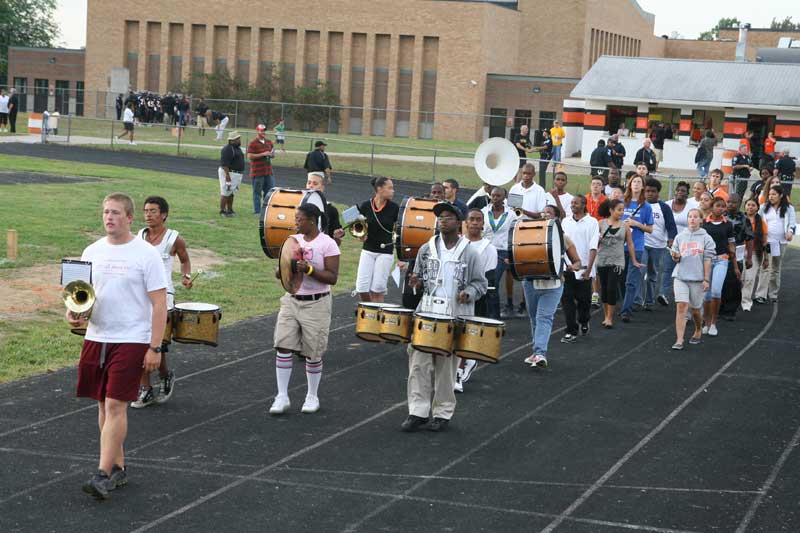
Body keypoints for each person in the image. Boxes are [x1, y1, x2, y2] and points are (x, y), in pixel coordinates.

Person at [68, 193, 167, 499]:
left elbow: (160, 303)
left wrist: (155, 347)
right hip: (97, 337)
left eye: (115, 213)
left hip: (132, 338)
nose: (109, 217)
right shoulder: (91, 250)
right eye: (105, 212)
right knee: (102, 403)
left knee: (115, 404)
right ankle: (118, 468)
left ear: (129, 218)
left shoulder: (146, 254)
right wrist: (73, 313)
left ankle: (100, 474)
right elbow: (78, 293)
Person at [402, 202, 486, 432]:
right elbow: (417, 277)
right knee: (418, 364)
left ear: (458, 223)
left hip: (454, 315)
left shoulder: (469, 251)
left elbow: (481, 283)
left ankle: (442, 412)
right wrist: (415, 283)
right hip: (427, 313)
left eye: (448, 217)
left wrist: (468, 293)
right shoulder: (426, 249)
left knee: (446, 368)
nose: (442, 220)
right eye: (440, 217)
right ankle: (417, 411)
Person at [269, 204, 340, 415]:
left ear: (312, 220)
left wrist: (308, 268)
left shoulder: (328, 244)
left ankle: (312, 395)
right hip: (291, 300)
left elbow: (332, 277)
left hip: (317, 303)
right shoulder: (293, 241)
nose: (295, 222)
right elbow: (281, 271)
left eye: (299, 219)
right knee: (282, 345)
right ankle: (281, 396)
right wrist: (283, 269)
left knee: (313, 352)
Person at [131, 196, 193, 408]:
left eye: (153, 211)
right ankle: (146, 389)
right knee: (139, 343)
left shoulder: (174, 238)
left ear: (164, 214)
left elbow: (185, 260)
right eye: (146, 211)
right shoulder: (139, 236)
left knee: (158, 344)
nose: (148, 214)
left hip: (164, 296)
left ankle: (165, 374)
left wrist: (186, 276)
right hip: (141, 295)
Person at [522, 204, 582, 368]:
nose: (546, 215)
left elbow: (577, 261)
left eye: (550, 213)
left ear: (557, 219)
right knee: (534, 318)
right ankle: (536, 352)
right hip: (531, 282)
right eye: (544, 213)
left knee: (544, 317)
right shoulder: (530, 235)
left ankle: (540, 352)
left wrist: (573, 267)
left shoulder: (562, 237)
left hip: (554, 283)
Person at [455, 208, 498, 393]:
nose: (474, 223)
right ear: (465, 223)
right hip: (455, 297)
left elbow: (486, 277)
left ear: (482, 224)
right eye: (470, 219)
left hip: (477, 297)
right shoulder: (456, 244)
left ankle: (460, 370)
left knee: (467, 335)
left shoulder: (489, 248)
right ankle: (461, 364)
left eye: (477, 220)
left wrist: (471, 291)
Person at [670, 209, 714, 350]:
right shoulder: (680, 236)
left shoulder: (706, 238)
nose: (692, 219)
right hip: (681, 276)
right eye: (690, 217)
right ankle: (679, 339)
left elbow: (707, 260)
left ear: (701, 220)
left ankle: (698, 328)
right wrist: (676, 257)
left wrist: (706, 279)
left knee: (695, 310)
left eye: (696, 217)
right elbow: (676, 256)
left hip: (697, 278)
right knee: (681, 306)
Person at [560, 196, 599, 342]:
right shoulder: (565, 221)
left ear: (584, 205)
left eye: (575, 203)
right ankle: (571, 330)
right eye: (571, 203)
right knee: (567, 300)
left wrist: (588, 270)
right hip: (568, 269)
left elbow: (593, 247)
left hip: (584, 269)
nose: (572, 205)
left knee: (584, 301)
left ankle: (584, 320)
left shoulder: (592, 222)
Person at [356, 177, 399, 303]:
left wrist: (401, 258)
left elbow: (399, 231)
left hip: (385, 252)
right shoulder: (365, 205)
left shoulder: (395, 208)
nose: (393, 191)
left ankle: (375, 317)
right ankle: (368, 314)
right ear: (379, 189)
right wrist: (360, 235)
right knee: (362, 288)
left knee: (377, 289)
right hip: (368, 250)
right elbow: (357, 226)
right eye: (390, 188)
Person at [596, 199, 638, 328]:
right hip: (602, 259)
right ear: (611, 210)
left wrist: (634, 260)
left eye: (622, 210)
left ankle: (609, 317)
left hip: (617, 261)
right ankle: (605, 315)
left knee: (612, 288)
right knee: (604, 288)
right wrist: (598, 239)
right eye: (619, 210)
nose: (621, 212)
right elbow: (593, 243)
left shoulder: (625, 226)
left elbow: (630, 244)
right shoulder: (600, 223)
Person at [619, 174, 654, 322]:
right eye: (634, 181)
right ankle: (623, 304)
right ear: (629, 184)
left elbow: (650, 229)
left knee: (631, 280)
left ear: (643, 186)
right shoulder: (621, 202)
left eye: (639, 182)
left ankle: (626, 310)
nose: (636, 184)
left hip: (637, 247)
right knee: (620, 279)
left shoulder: (646, 206)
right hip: (619, 246)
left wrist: (636, 224)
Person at [638, 178, 677, 310]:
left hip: (658, 245)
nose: (649, 193)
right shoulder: (640, 205)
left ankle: (649, 301)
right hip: (642, 244)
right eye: (647, 191)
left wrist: (671, 238)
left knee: (652, 274)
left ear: (658, 193)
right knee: (640, 271)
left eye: (653, 191)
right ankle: (638, 300)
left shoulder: (664, 207)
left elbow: (671, 225)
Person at [701, 197, 737, 337]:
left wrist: (734, 263)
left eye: (723, 206)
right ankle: (706, 321)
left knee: (716, 291)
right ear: (711, 207)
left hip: (722, 259)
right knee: (707, 294)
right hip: (706, 260)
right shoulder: (704, 224)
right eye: (718, 206)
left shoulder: (728, 224)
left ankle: (713, 322)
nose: (721, 208)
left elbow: (731, 243)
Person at [756, 185, 796, 303]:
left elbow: (792, 223)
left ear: (781, 195)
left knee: (776, 268)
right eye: (770, 194)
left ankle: (773, 293)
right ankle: (761, 294)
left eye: (774, 194)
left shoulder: (789, 208)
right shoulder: (763, 207)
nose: (771, 197)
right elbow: (758, 222)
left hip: (780, 242)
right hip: (767, 241)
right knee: (765, 267)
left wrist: (789, 232)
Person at [482, 186, 517, 320]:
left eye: (498, 196)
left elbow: (514, 234)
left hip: (502, 252)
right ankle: (486, 314)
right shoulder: (484, 212)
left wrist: (511, 254)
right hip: (485, 250)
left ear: (504, 198)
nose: (495, 198)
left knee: (493, 282)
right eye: (493, 195)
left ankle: (494, 317)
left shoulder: (511, 214)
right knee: (485, 282)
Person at [658, 181, 693, 305]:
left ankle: (685, 297)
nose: (680, 193)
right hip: (670, 244)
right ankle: (663, 294)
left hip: (686, 244)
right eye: (678, 190)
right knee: (667, 269)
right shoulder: (667, 205)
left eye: (683, 191)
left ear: (687, 194)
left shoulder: (691, 207)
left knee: (685, 270)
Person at [719, 194, 752, 321]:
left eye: (733, 202)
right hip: (721, 252)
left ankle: (730, 310)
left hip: (737, 254)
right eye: (728, 202)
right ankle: (719, 308)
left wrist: (749, 258)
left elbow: (749, 239)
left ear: (739, 203)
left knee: (734, 282)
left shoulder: (744, 219)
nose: (730, 204)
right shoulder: (721, 216)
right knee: (720, 281)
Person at [740, 198, 768, 311]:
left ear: (757, 208)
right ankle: (736, 299)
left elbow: (765, 241)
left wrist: (766, 258)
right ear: (745, 206)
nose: (750, 207)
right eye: (748, 205)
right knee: (740, 277)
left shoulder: (761, 222)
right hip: (740, 251)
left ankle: (746, 302)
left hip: (755, 252)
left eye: (753, 205)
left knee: (750, 278)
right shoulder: (739, 219)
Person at [307, 172, 344, 245]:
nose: (311, 186)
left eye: (315, 184)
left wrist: (337, 236)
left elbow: (336, 243)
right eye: (309, 183)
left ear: (322, 188)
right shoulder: (299, 205)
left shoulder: (331, 210)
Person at [247, 124, 276, 215]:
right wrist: (263, 154)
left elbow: (273, 154)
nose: (263, 132)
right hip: (257, 172)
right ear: (257, 131)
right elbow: (250, 156)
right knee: (257, 193)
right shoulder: (253, 143)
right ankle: (257, 211)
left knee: (270, 192)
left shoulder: (269, 142)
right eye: (261, 130)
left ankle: (266, 211)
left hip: (268, 171)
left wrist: (272, 154)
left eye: (264, 130)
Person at [218, 131, 245, 217]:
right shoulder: (227, 149)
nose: (239, 140)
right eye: (237, 139)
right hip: (229, 173)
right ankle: (222, 211)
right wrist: (227, 176)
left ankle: (230, 209)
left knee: (232, 192)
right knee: (226, 191)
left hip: (236, 174)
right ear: (232, 140)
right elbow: (224, 164)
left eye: (239, 138)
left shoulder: (237, 148)